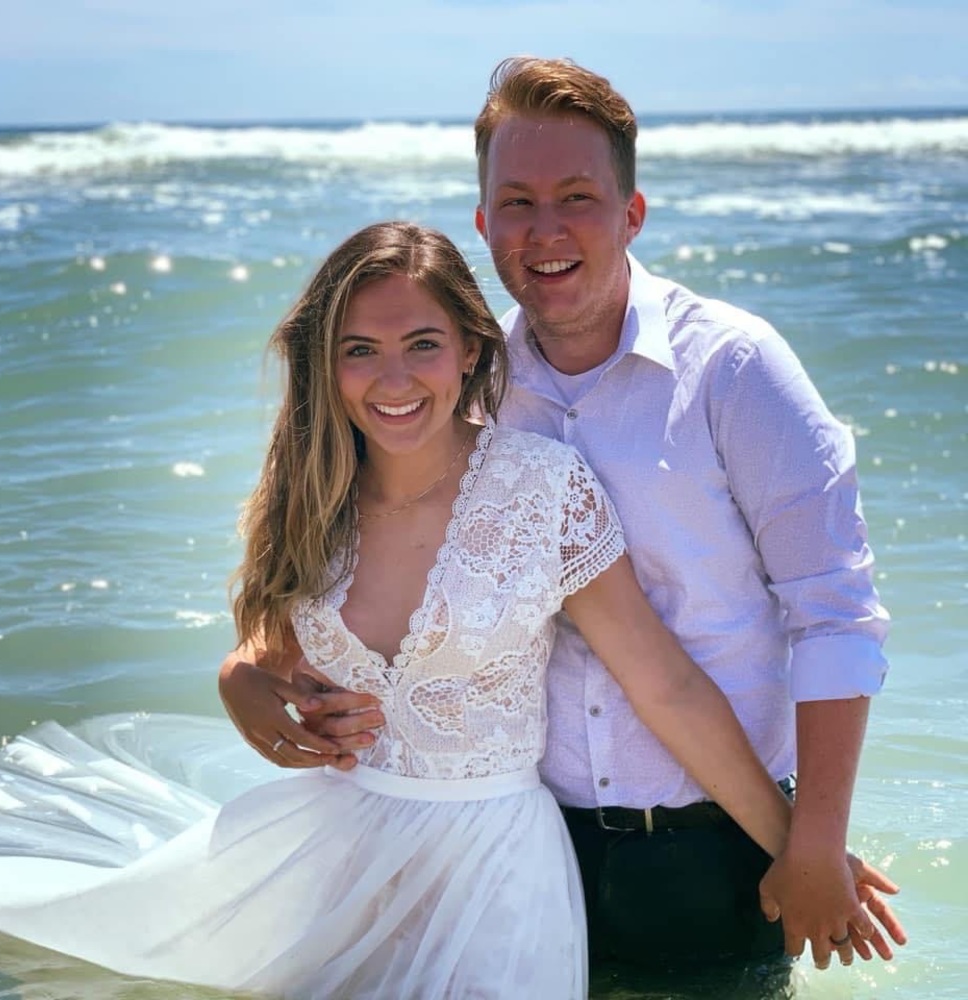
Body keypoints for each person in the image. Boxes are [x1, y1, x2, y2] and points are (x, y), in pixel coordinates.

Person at [0, 221, 858, 999]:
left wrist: (807, 854)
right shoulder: (309, 498)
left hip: (500, 872)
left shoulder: (544, 490)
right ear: (328, 363)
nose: (392, 378)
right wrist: (239, 679)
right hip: (342, 858)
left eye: (421, 344)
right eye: (359, 349)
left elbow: (664, 686)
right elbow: (269, 647)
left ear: (470, 350)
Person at [218, 58, 906, 977]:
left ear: (632, 212)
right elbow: (357, 576)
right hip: (530, 851)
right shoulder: (454, 381)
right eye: (517, 202)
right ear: (483, 221)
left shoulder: (736, 372)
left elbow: (835, 615)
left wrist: (812, 842)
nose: (546, 231)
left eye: (577, 196)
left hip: (712, 844)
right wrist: (243, 677)